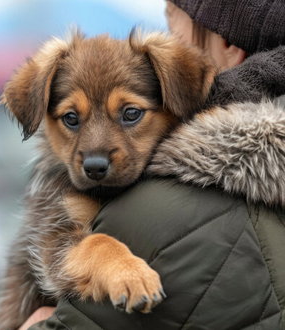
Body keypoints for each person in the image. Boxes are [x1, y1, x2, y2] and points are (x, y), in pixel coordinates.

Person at [21, 0, 285, 329]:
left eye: (130, 114)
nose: (96, 155)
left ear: (228, 44)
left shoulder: (172, 205)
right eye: (72, 119)